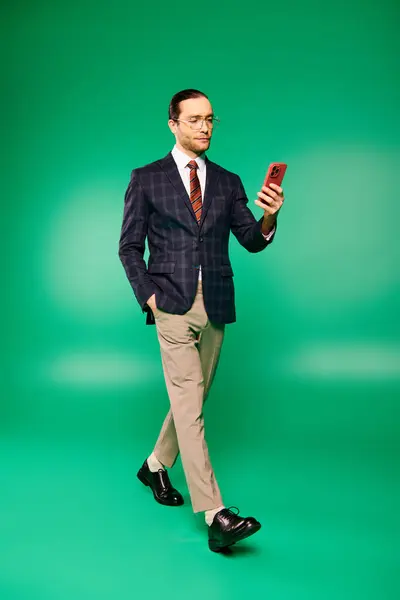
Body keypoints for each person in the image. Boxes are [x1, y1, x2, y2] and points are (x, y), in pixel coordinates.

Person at [118, 89, 285, 552]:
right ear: (173, 123)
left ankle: (155, 465)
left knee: (193, 397)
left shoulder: (229, 182)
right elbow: (129, 246)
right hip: (168, 302)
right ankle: (216, 515)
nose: (204, 127)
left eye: (210, 119)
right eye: (194, 120)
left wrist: (269, 214)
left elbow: (251, 239)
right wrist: (148, 295)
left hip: (215, 302)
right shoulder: (146, 179)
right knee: (190, 405)